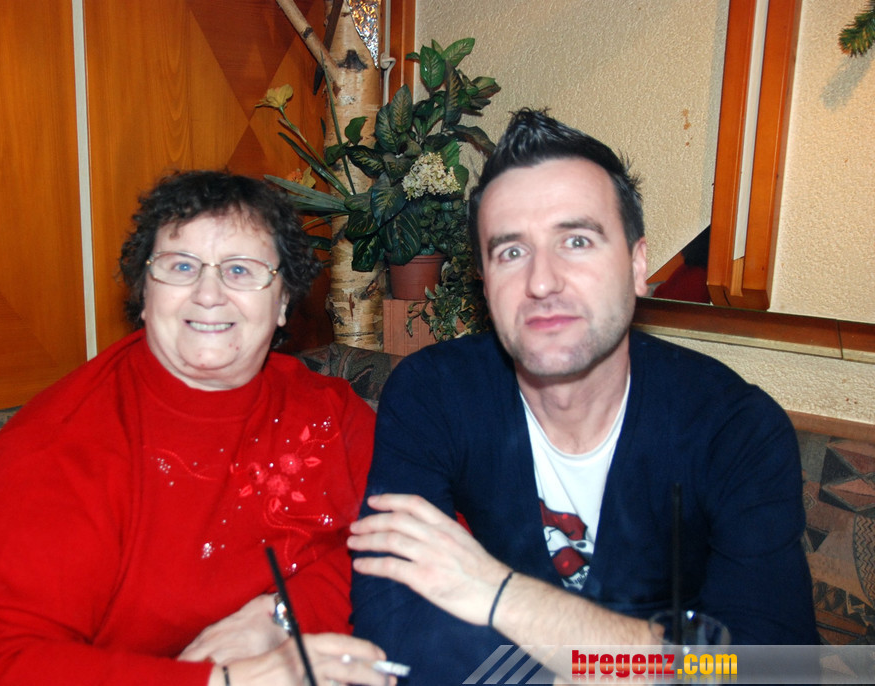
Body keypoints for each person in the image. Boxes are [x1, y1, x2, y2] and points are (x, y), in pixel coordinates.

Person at [348, 110, 818, 683]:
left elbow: (772, 668)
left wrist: (502, 595)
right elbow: (395, 629)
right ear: (484, 283)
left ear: (638, 266)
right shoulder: (434, 395)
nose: (542, 281)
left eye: (576, 240)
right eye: (511, 252)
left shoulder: (734, 430)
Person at [0, 171, 393, 686]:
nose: (208, 294)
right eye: (181, 266)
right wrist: (223, 681)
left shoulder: (327, 411)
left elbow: (421, 533)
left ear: (284, 301)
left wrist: (280, 617)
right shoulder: (58, 449)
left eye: (240, 270)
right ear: (144, 293)